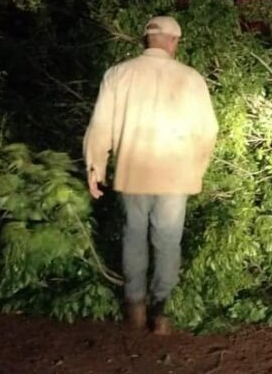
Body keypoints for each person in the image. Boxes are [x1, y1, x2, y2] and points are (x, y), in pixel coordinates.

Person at [83, 16, 219, 334]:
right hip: (175, 174)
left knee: (134, 236)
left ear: (147, 40)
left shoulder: (118, 74)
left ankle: (135, 307)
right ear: (174, 41)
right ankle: (162, 311)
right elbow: (208, 130)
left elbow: (101, 126)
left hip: (133, 172)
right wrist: (196, 168)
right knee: (168, 241)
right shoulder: (191, 78)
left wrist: (95, 168)